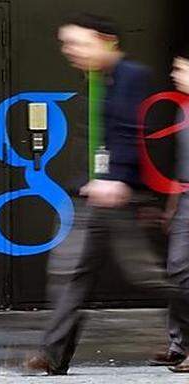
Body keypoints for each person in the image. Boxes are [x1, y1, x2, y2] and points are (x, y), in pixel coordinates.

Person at [25, 13, 181, 375]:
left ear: (105, 40)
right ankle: (53, 356)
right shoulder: (96, 78)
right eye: (66, 44)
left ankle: (184, 338)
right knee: (68, 273)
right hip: (88, 195)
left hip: (118, 195)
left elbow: (129, 131)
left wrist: (117, 177)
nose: (69, 51)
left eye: (77, 42)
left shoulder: (131, 75)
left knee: (147, 275)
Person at [149, 48, 189, 372]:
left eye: (182, 69)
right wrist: (172, 206)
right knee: (177, 270)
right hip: (186, 198)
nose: (175, 75)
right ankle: (179, 344)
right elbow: (181, 165)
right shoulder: (182, 110)